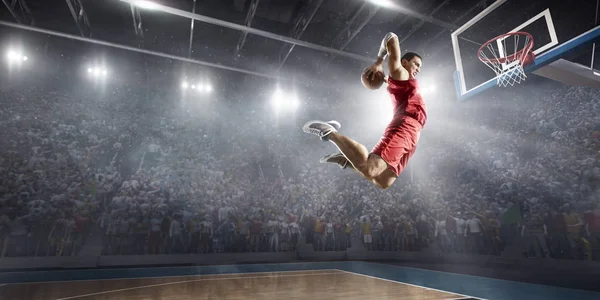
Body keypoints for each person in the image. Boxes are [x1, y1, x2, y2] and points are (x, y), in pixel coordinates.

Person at [302, 32, 427, 189]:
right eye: (416, 64)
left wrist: (384, 77)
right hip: (405, 126)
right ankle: (330, 132)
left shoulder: (398, 78)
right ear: (404, 62)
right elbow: (392, 36)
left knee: (383, 182)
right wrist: (379, 62)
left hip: (414, 134)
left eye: (420, 67)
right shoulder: (400, 72)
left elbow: (391, 82)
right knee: (370, 169)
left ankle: (346, 160)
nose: (418, 69)